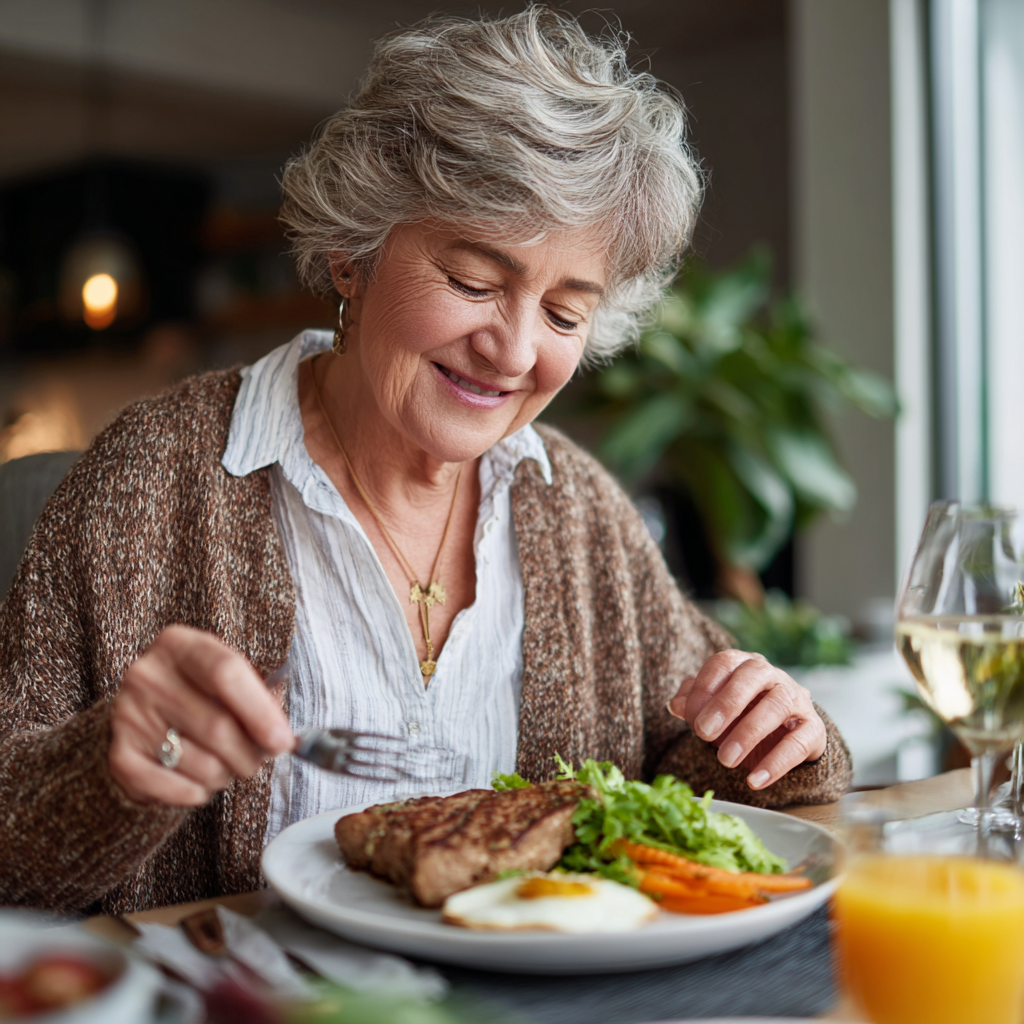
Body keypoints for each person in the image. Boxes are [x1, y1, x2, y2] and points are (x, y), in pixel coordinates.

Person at [0, 8, 850, 916]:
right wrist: (112, 769)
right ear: (352, 256)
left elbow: (709, 767)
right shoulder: (149, 477)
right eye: (474, 283)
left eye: (565, 314)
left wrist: (776, 734)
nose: (516, 351)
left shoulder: (581, 511)